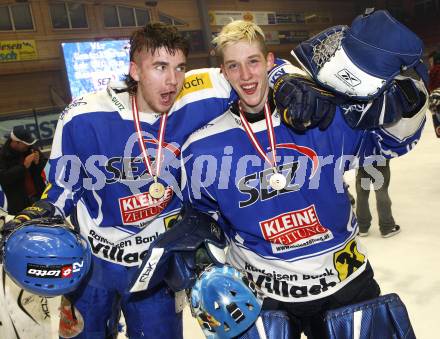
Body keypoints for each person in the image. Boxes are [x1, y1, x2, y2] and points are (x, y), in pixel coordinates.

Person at [1, 23, 303, 338]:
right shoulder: (83, 116)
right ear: (134, 70)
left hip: (159, 265)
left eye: (179, 68)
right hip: (95, 267)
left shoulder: (201, 92)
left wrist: (287, 82)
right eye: (159, 67)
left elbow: (263, 67)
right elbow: (64, 190)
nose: (172, 80)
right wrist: (42, 212)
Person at [180, 16, 427, 338]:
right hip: (263, 294)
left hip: (344, 280)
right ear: (223, 72)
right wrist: (203, 257)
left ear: (269, 61)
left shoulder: (319, 115)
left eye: (253, 61)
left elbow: (392, 143)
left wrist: (409, 96)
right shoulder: (203, 144)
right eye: (234, 66)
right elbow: (202, 213)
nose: (246, 75)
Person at [0, 126, 47, 215]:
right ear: (16, 142)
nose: (28, 145)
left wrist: (39, 161)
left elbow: (45, 166)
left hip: (39, 199)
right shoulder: (2, 156)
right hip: (18, 205)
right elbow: (4, 178)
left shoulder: (31, 149)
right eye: (25, 143)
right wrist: (23, 166)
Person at [355, 158, 400, 238]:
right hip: (379, 159)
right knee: (381, 190)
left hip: (362, 160)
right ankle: (387, 227)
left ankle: (362, 227)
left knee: (362, 193)